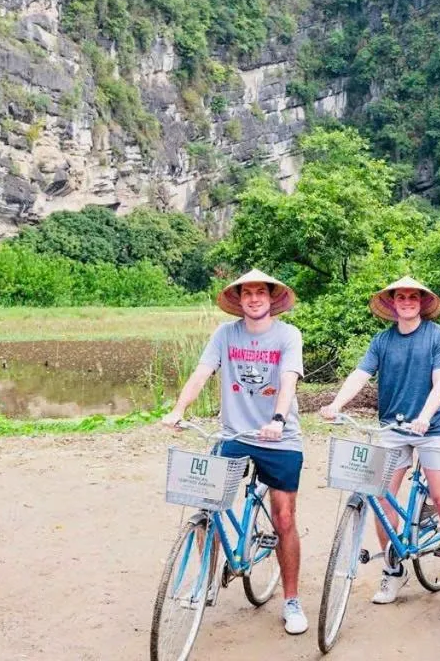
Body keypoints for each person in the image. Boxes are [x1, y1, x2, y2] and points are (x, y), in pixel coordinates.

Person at [162, 268, 309, 636]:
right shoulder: (225, 335)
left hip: (279, 438)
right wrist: (179, 409)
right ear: (239, 300)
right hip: (236, 434)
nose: (255, 298)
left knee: (285, 518)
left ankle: (291, 600)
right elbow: (202, 372)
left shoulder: (288, 335)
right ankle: (207, 580)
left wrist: (277, 418)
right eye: (248, 293)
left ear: (272, 298)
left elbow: (288, 379)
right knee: (205, 503)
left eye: (261, 292)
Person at [319, 275, 440, 616]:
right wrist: (337, 405)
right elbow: (360, 375)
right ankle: (392, 568)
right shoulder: (382, 340)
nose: (406, 301)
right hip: (392, 427)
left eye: (412, 297)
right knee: (379, 496)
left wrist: (424, 416)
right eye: (400, 297)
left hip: (431, 428)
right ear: (392, 304)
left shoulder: (438, 337)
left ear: (421, 303)